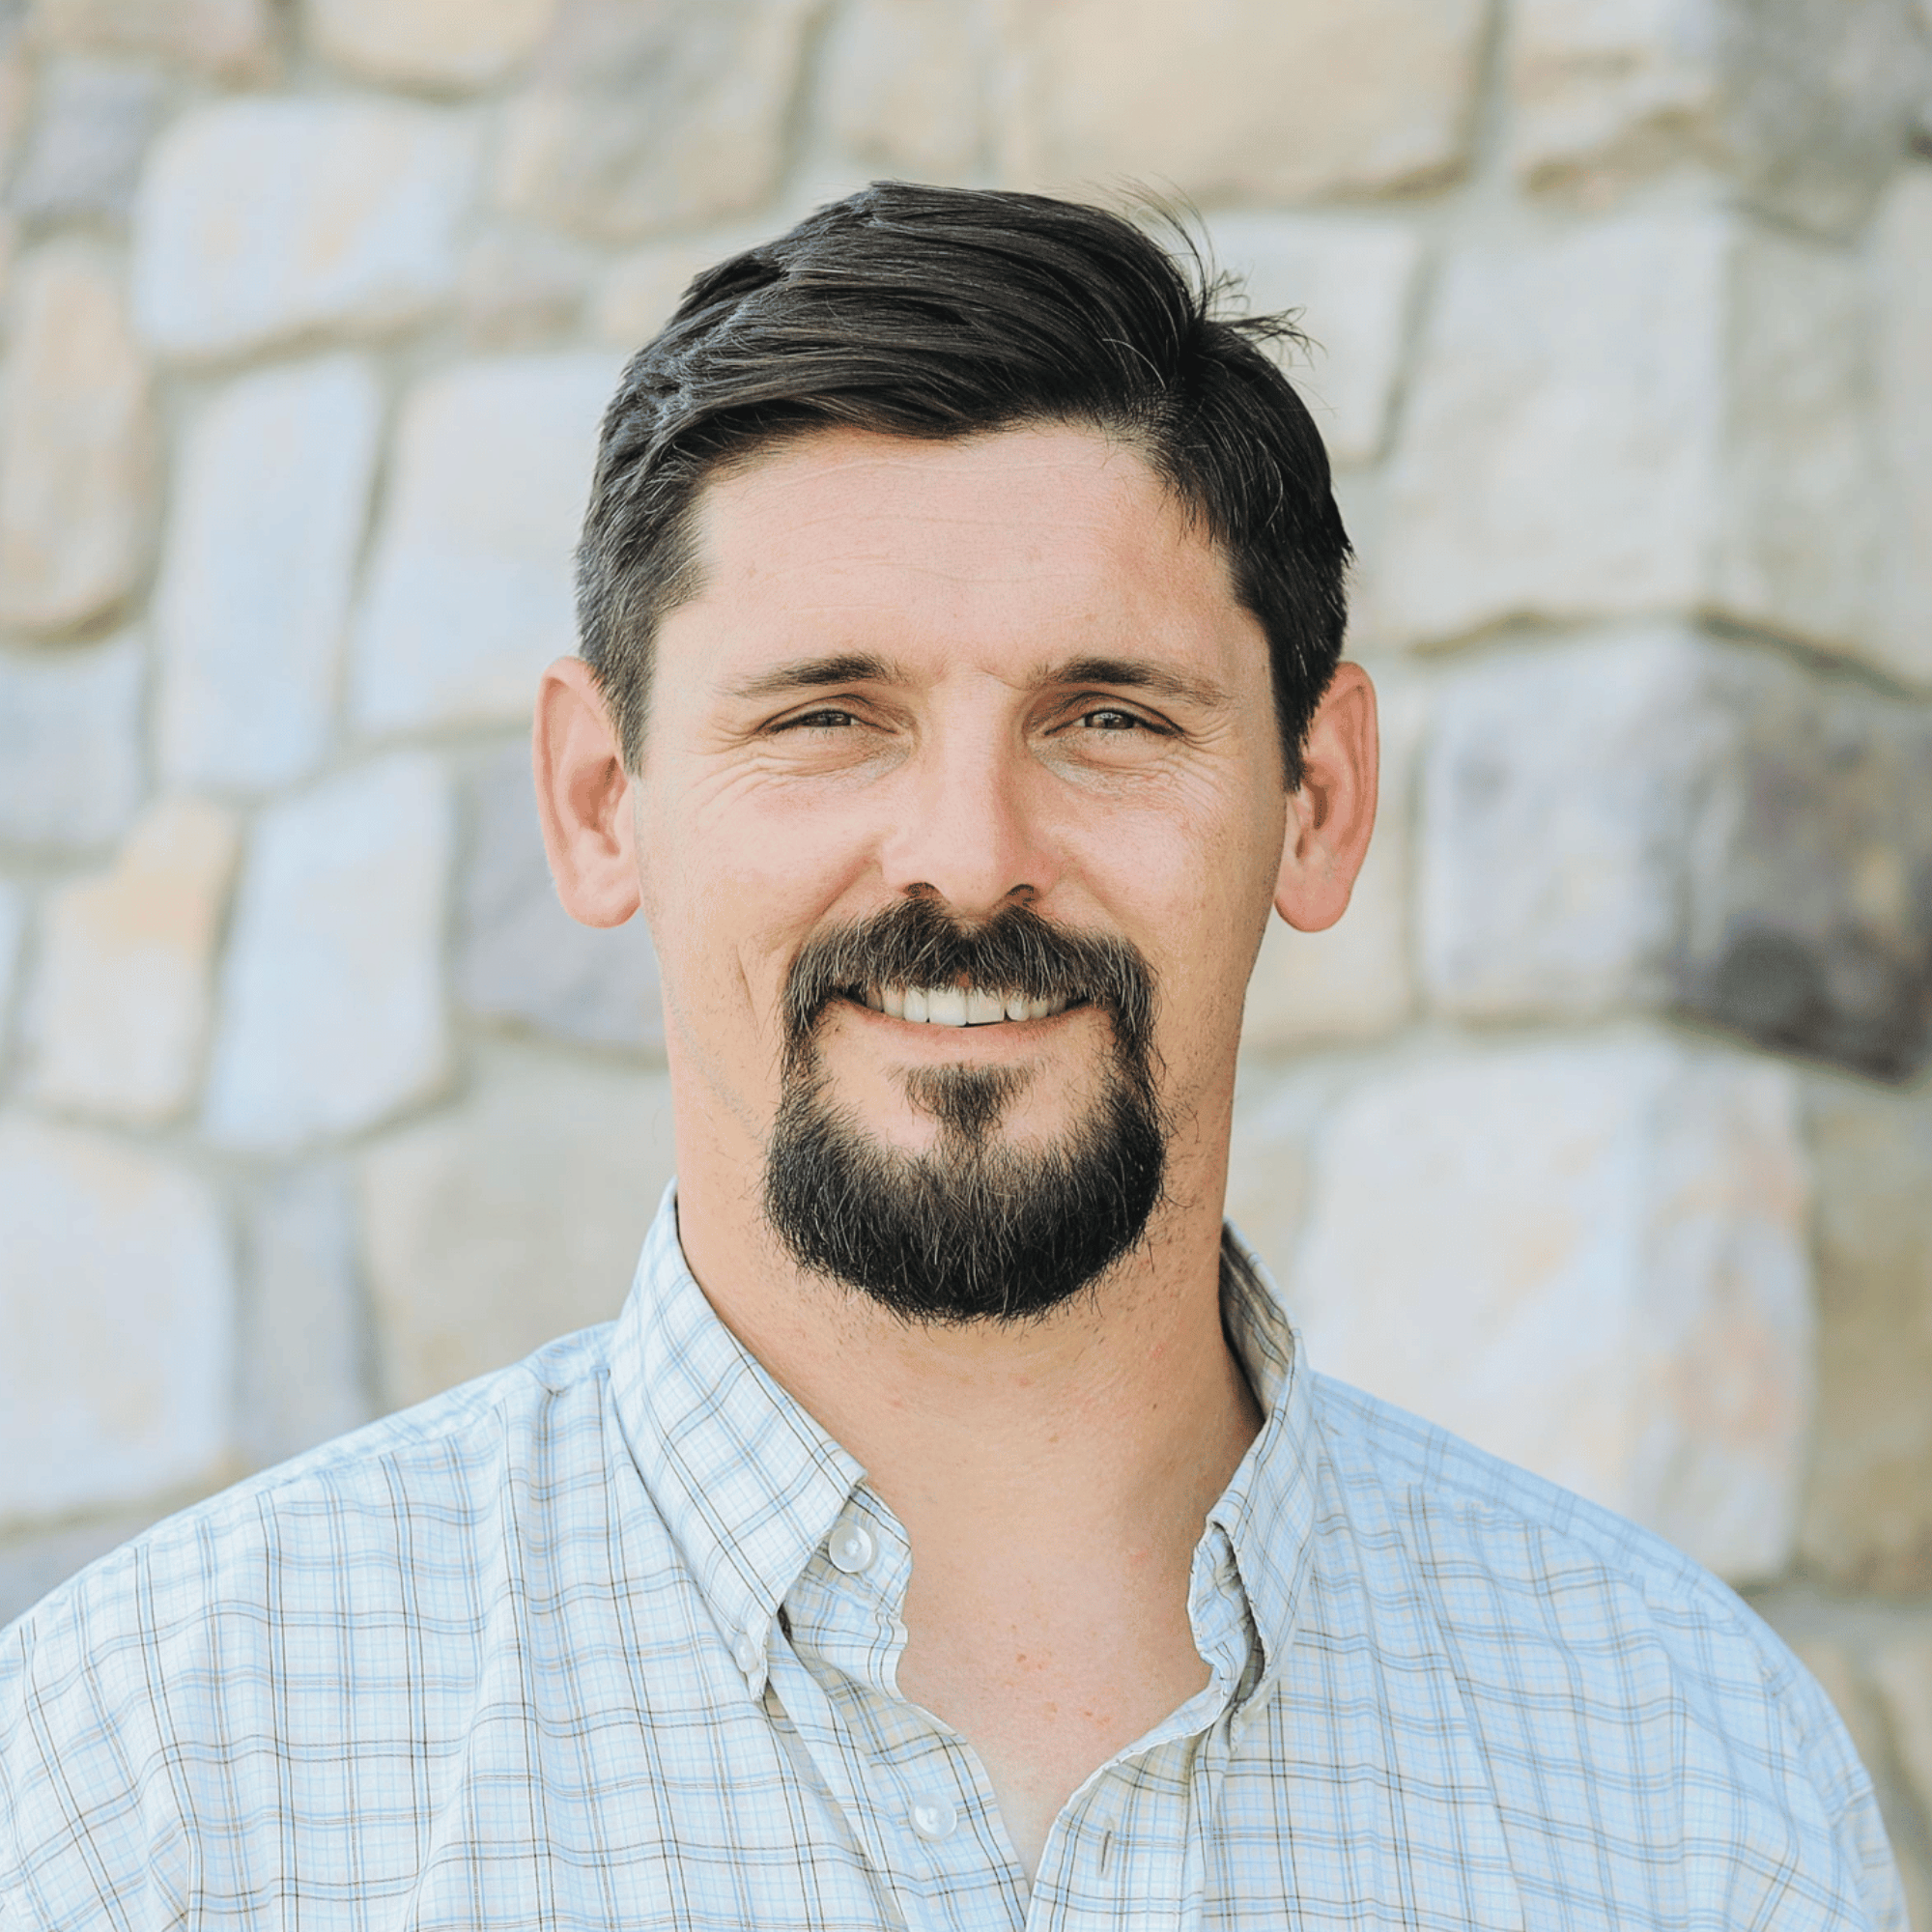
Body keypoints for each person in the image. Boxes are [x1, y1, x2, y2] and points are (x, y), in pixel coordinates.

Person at [0, 182, 1903, 1929]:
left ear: (1317, 800)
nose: (971, 856)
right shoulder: (159, 1774)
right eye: (828, 716)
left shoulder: (1684, 1775)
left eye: (1108, 717)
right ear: (597, 801)